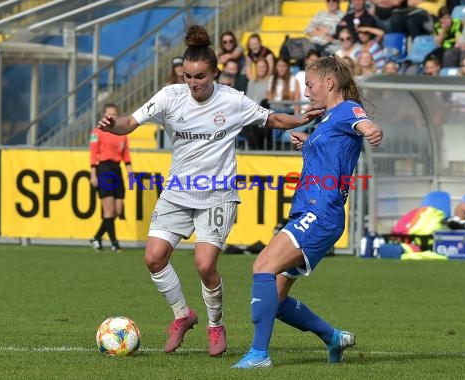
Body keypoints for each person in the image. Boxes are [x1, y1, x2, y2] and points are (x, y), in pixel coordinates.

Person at [96, 24, 323, 357]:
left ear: (215, 73)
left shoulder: (231, 101)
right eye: (187, 76)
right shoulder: (169, 96)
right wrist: (111, 126)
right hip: (177, 191)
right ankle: (183, 316)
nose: (192, 83)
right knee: (154, 258)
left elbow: (271, 119)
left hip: (217, 194)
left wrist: (300, 118)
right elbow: (129, 123)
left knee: (204, 265)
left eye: (199, 77)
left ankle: (216, 324)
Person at [232, 54, 383, 369]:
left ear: (329, 83)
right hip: (309, 212)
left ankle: (259, 355)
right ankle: (333, 337)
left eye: (310, 85)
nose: (306, 92)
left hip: (321, 212)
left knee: (262, 266)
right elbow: (335, 147)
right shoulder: (327, 118)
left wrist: (371, 129)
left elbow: (361, 120)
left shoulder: (344, 109)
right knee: (276, 298)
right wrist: (309, 142)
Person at [89, 103, 132, 253]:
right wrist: (93, 173)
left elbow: (125, 154)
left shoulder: (121, 133)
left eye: (114, 114)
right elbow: (93, 153)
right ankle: (114, 243)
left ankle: (97, 237)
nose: (112, 117)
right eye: (109, 114)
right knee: (109, 209)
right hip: (104, 169)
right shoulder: (98, 131)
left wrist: (129, 171)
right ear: (104, 116)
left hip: (117, 169)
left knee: (118, 210)